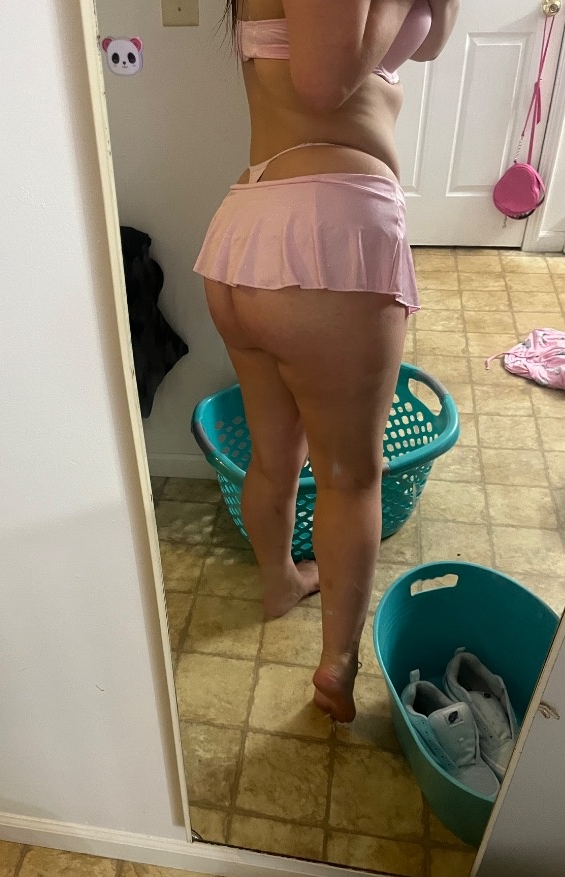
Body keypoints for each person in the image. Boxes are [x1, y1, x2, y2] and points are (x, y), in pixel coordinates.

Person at [194, 0, 459, 722]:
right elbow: (322, 82)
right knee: (348, 476)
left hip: (250, 230)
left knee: (274, 455)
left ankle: (279, 582)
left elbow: (429, 43)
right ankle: (338, 665)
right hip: (330, 231)